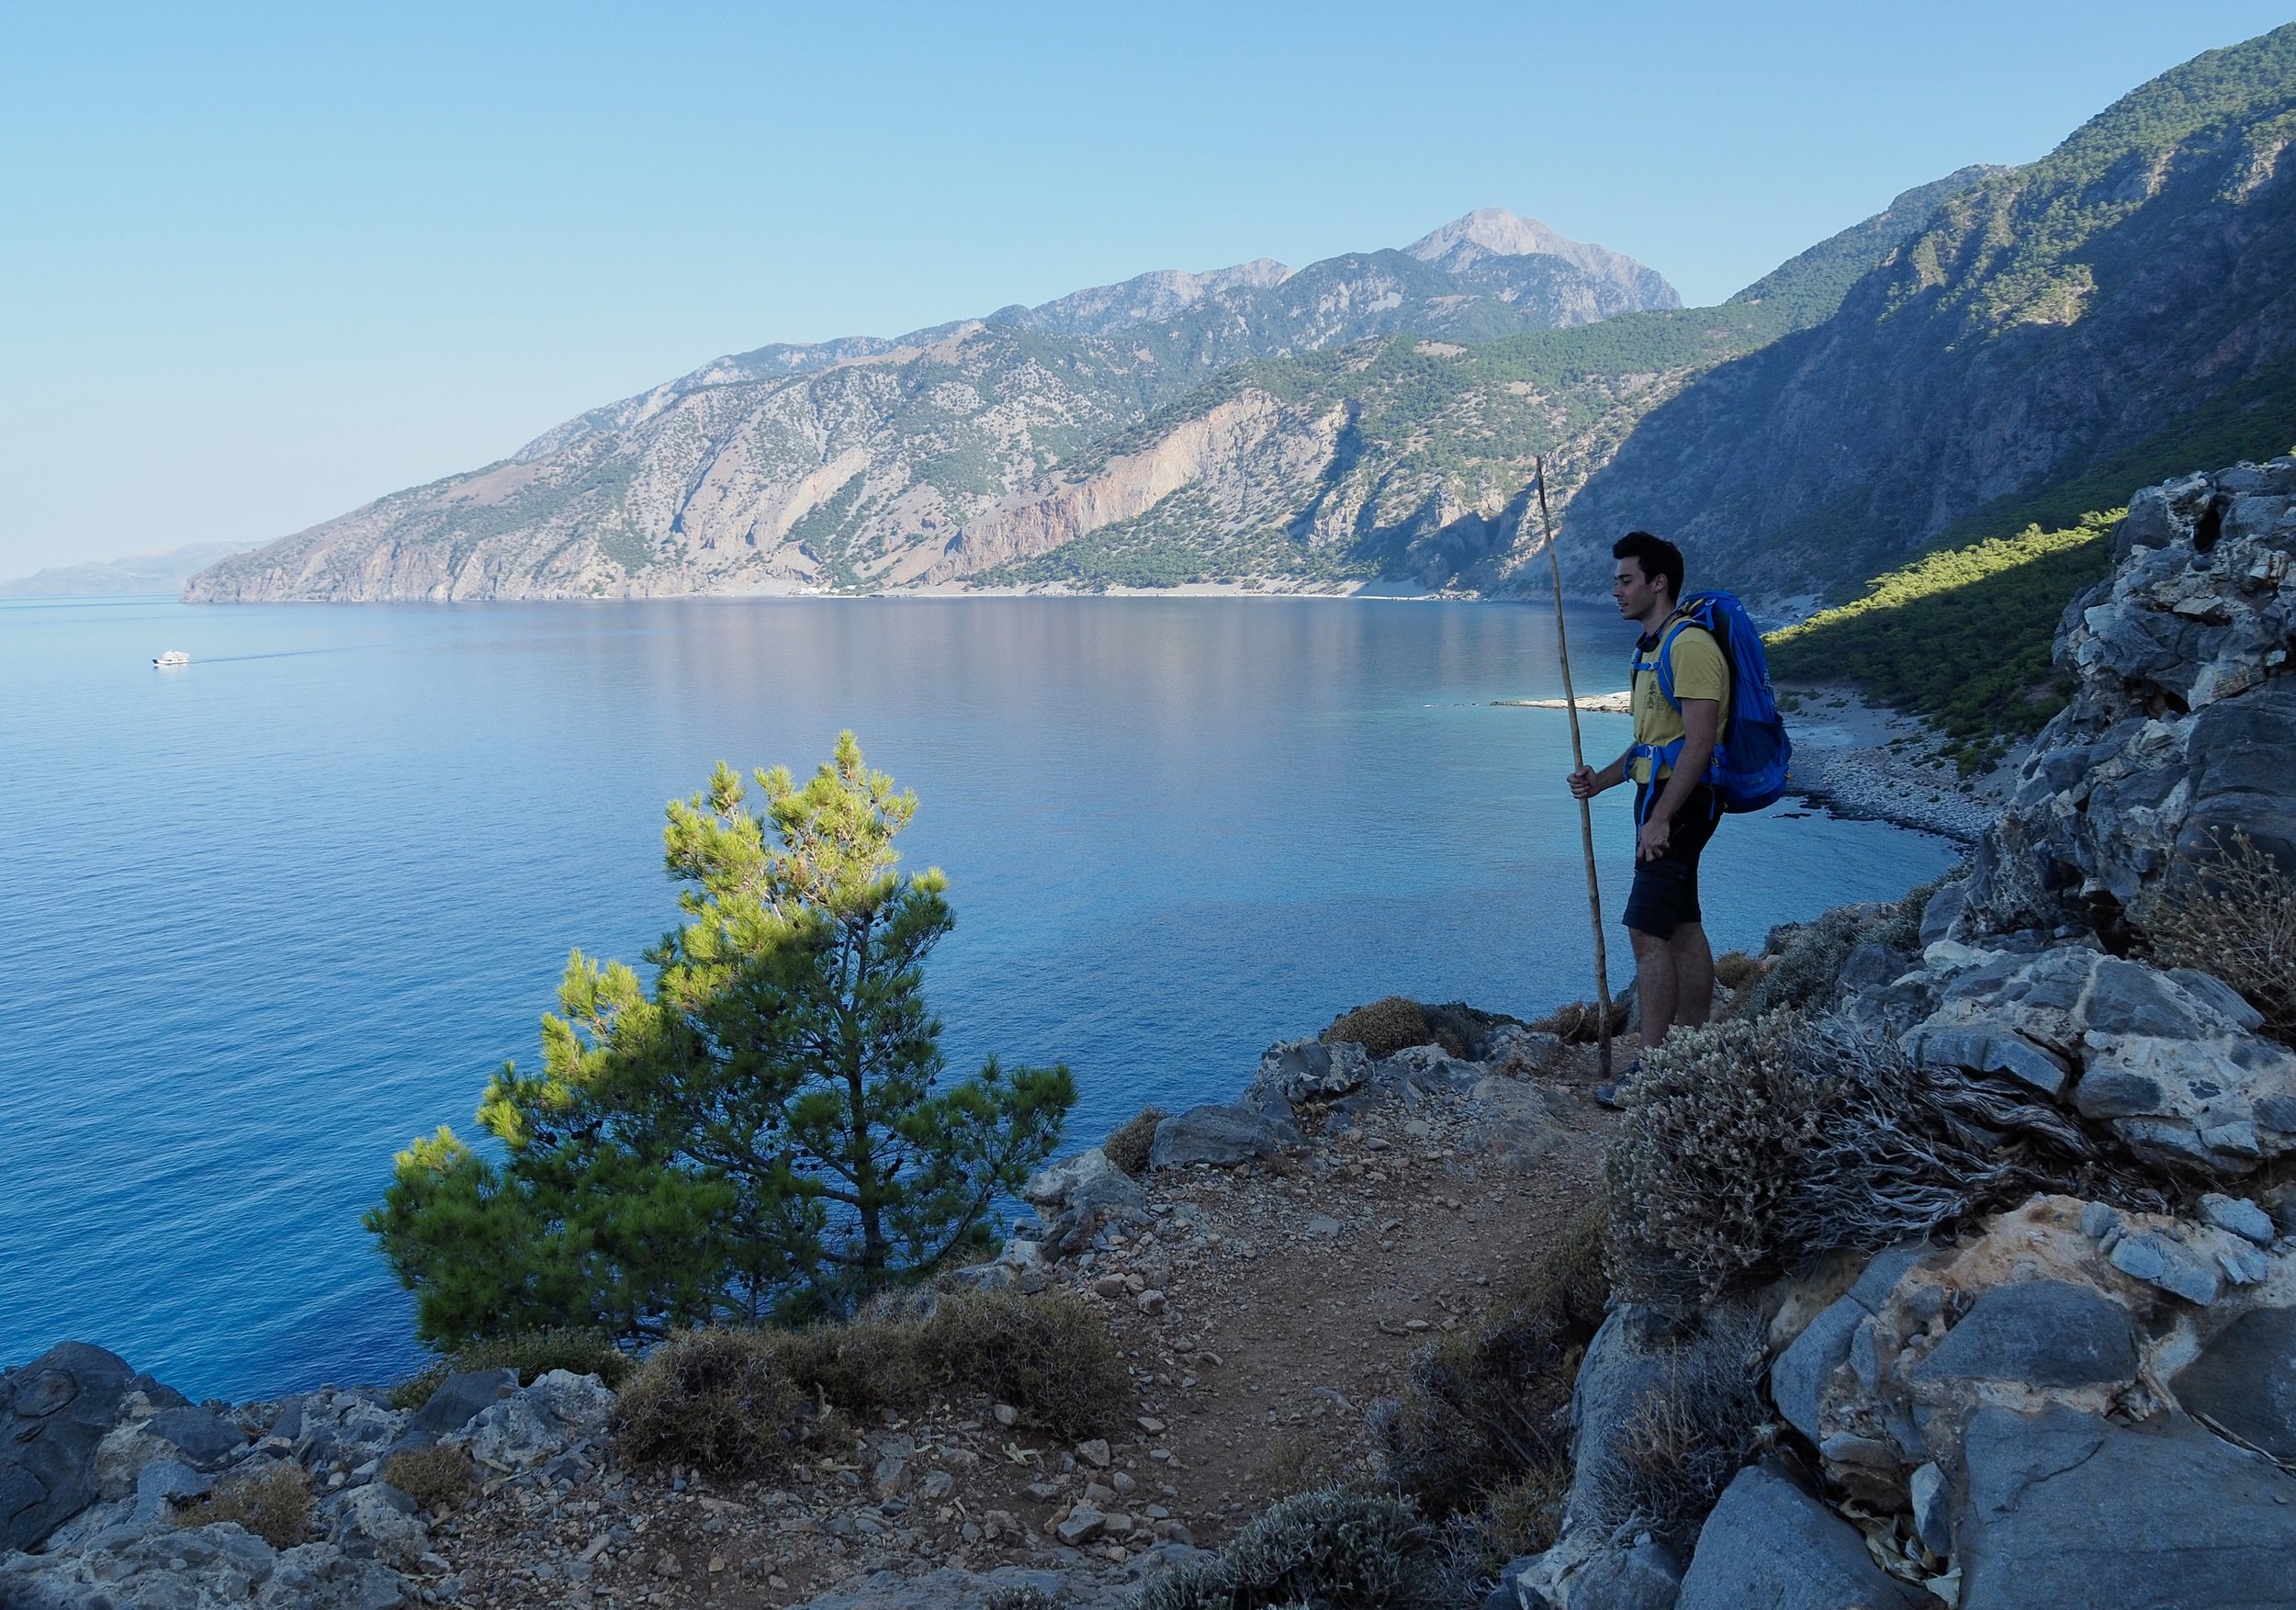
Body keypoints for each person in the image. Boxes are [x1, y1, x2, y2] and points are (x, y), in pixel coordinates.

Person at [1568, 531, 1728, 1099]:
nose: (1615, 590)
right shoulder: (1650, 648)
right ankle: (1691, 1052)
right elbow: (1650, 745)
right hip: (1660, 799)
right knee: (1682, 924)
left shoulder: (1688, 648)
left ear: (1658, 583)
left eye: (1625, 579)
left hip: (1680, 804)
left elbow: (1700, 744)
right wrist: (1601, 781)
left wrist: (1661, 817)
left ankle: (1654, 1072)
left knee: (1644, 928)